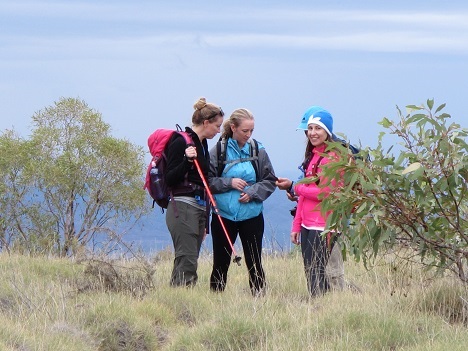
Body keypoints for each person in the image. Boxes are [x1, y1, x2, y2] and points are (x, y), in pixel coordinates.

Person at [208, 108, 276, 296]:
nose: (249, 135)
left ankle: (259, 298)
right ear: (233, 127)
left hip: (251, 215)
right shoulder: (219, 151)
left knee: (254, 261)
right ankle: (215, 300)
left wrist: (252, 192)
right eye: (245, 131)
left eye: (251, 130)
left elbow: (270, 181)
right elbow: (207, 181)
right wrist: (229, 182)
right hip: (224, 215)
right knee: (221, 262)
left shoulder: (258, 150)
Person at [277, 108, 343, 296]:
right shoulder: (314, 155)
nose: (312, 133)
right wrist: (296, 225)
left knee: (318, 272)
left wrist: (297, 187)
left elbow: (326, 192)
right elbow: (305, 198)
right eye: (310, 128)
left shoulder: (333, 157)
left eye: (318, 128)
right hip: (308, 223)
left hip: (324, 224)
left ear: (328, 131)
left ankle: (322, 310)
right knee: (312, 271)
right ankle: (320, 309)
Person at [165, 97, 224, 287]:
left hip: (198, 208)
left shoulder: (202, 144)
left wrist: (205, 222)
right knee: (187, 259)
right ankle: (183, 302)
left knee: (188, 259)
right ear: (206, 123)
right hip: (182, 207)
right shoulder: (179, 141)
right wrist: (187, 161)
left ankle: (177, 297)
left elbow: (203, 183)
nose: (219, 130)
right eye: (217, 125)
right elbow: (170, 179)